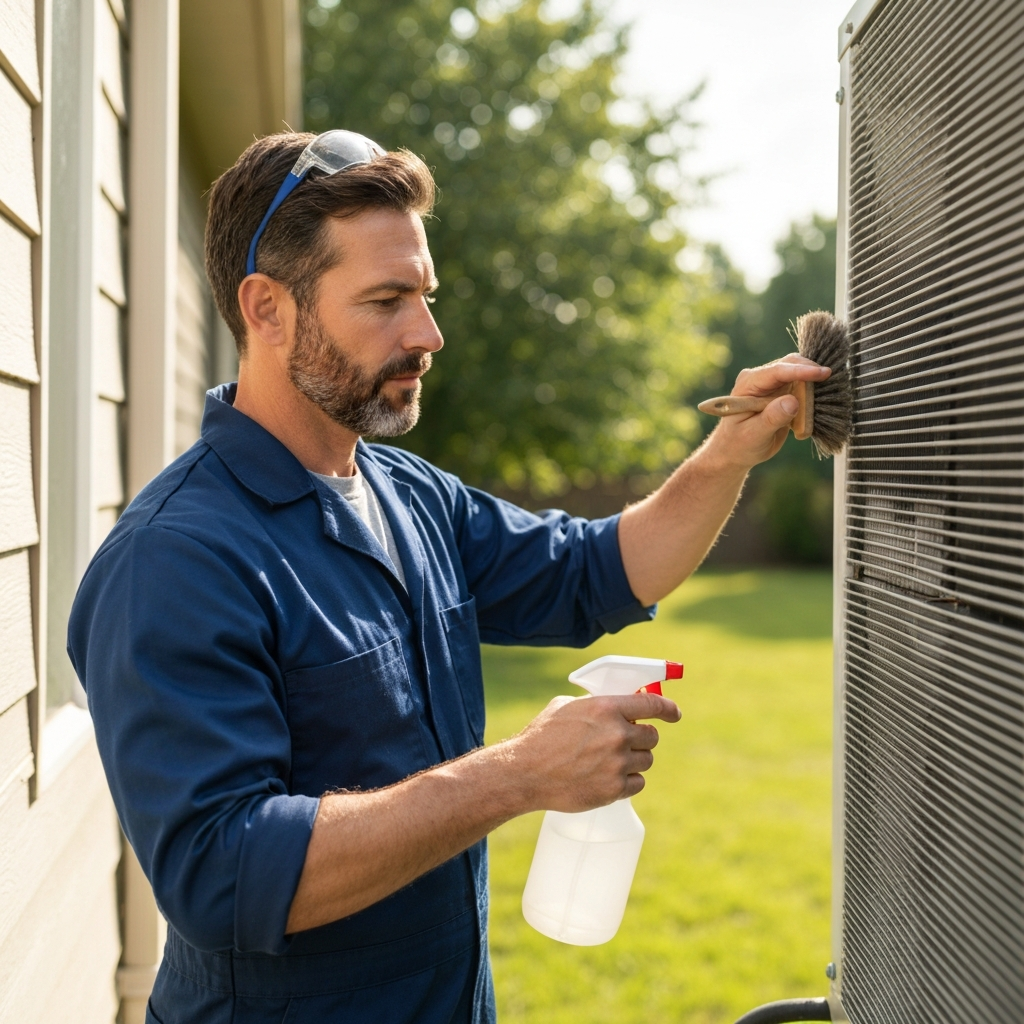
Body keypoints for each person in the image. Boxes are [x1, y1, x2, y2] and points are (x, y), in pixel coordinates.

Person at [68, 130, 831, 1024]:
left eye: (425, 296)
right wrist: (518, 774)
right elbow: (223, 874)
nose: (428, 334)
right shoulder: (176, 561)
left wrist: (730, 452)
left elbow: (598, 572)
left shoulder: (407, 494)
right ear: (267, 310)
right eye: (386, 300)